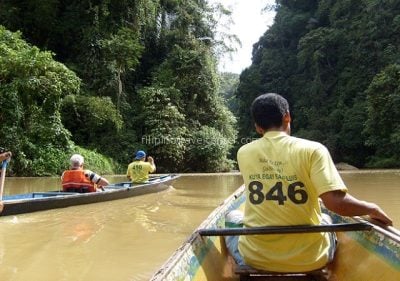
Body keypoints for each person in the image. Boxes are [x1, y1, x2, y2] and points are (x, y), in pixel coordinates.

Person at [229, 93, 392, 273]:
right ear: (287, 116)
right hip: (311, 260)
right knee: (326, 218)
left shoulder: (243, 152)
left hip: (258, 259)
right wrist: (372, 208)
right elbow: (336, 203)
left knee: (231, 218)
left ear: (258, 128)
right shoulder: (314, 150)